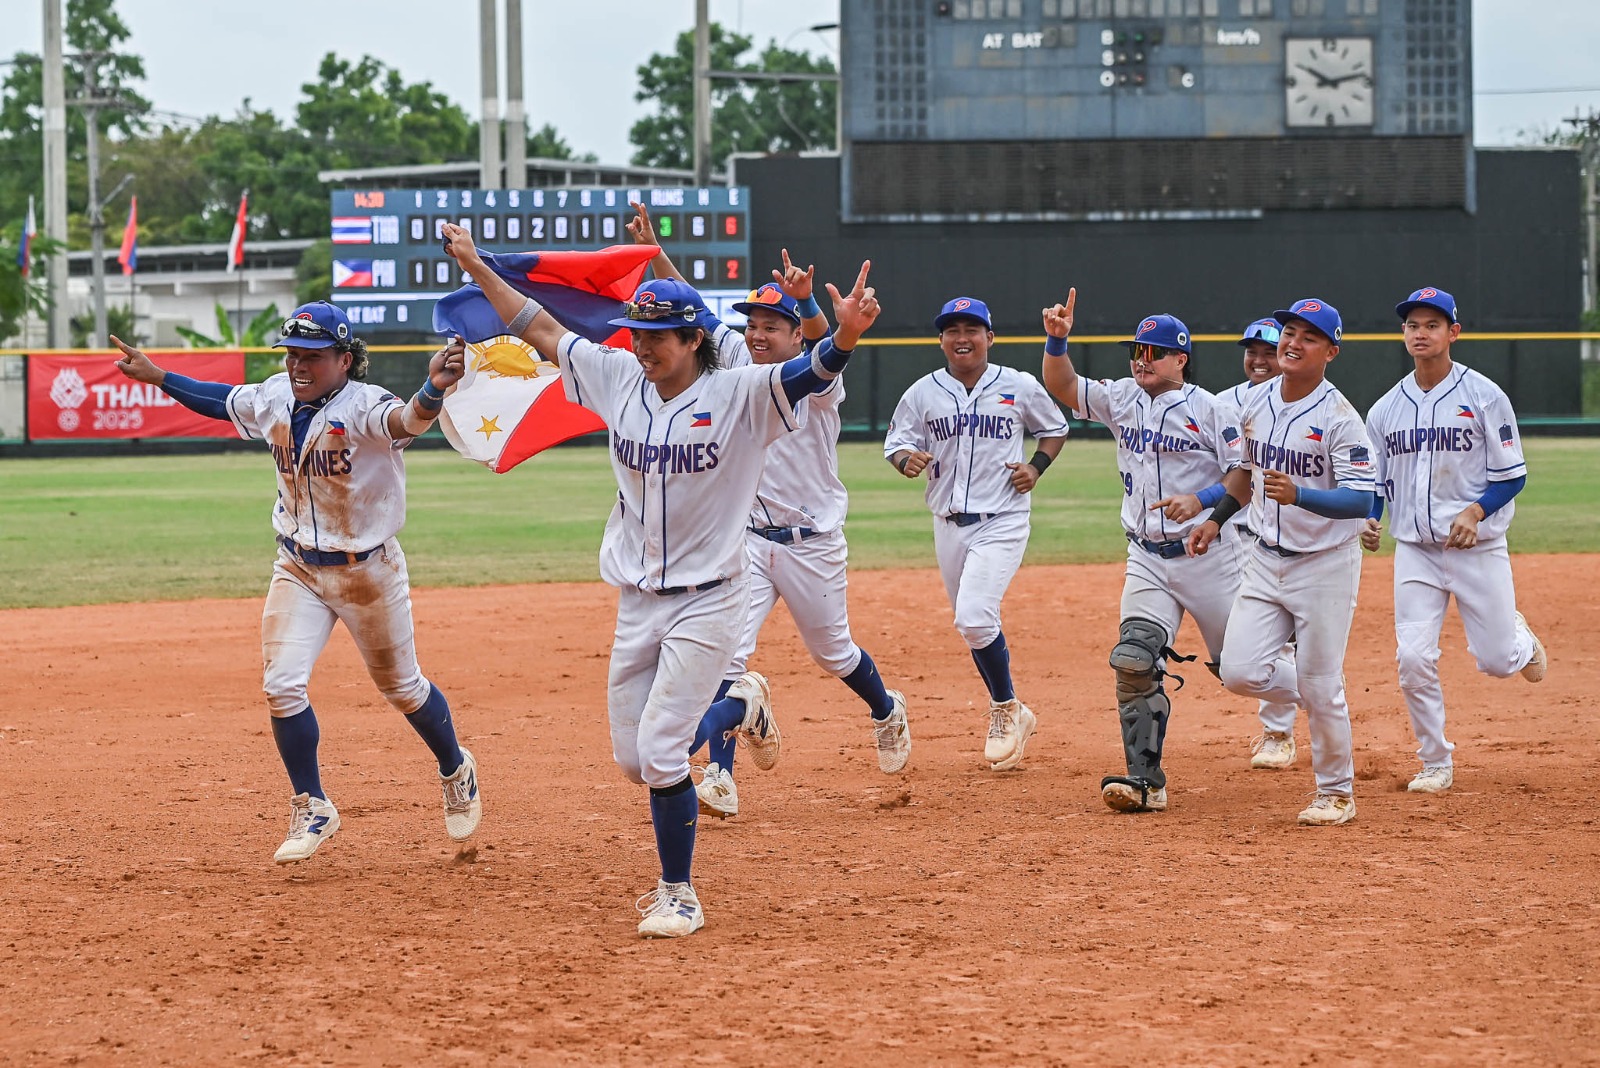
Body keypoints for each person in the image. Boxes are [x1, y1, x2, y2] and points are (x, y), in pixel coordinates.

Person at [441, 222, 881, 938]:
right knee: (631, 759)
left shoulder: (740, 392)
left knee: (660, 753)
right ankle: (741, 705)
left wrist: (845, 334)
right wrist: (476, 266)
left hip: (711, 598)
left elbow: (813, 373)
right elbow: (538, 326)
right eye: (636, 334)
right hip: (639, 600)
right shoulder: (618, 379)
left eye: (657, 337)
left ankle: (679, 892)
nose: (642, 346)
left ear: (693, 340)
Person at [110, 302, 482, 863]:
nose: (297, 365)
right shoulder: (275, 398)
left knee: (403, 689)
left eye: (311, 355)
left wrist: (432, 390)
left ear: (343, 358)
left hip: (368, 572)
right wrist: (158, 376)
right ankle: (312, 802)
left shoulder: (366, 405)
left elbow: (407, 423)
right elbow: (219, 400)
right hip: (299, 568)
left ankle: (456, 768)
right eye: (291, 355)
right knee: (281, 685)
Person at [624, 206, 911, 819]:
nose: (757, 334)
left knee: (834, 653)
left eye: (772, 325)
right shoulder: (734, 364)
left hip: (812, 539)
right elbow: (693, 315)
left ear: (794, 336)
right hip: (746, 541)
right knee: (727, 658)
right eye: (752, 323)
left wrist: (817, 314)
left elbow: (828, 347)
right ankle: (720, 775)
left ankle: (886, 708)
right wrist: (653, 255)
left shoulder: (816, 379)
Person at [1039, 296, 1265, 813]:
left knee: (1243, 671)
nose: (1141, 359)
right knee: (1134, 658)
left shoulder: (1213, 409)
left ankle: (1321, 692)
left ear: (1180, 359)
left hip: (1210, 557)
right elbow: (1063, 385)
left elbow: (1242, 477)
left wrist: (1208, 511)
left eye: (1155, 352)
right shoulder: (1121, 398)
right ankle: (1146, 781)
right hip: (1146, 556)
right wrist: (1057, 340)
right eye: (1137, 351)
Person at [1188, 298, 1376, 826]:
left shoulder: (1340, 418)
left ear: (1330, 352)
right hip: (1265, 560)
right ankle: (1323, 691)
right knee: (1239, 671)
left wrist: (1302, 496)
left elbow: (1362, 500)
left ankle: (1336, 792)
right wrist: (1215, 518)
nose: (1293, 342)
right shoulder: (1255, 403)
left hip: (1325, 564)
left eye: (1309, 336)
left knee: (1318, 683)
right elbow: (1246, 475)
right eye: (1290, 331)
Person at [1361, 286, 1548, 794]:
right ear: (1404, 335)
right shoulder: (1385, 409)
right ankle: (1435, 760)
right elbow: (1374, 482)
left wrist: (1475, 510)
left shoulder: (1485, 396)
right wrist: (1370, 516)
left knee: (1496, 661)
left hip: (1477, 548)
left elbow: (1513, 476)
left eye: (1432, 325)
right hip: (1416, 551)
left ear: (1453, 333)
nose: (1421, 333)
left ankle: (1519, 637)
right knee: (1412, 658)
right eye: (1412, 326)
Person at [885, 296, 1069, 771]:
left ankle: (1005, 709)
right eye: (952, 330)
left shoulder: (1018, 385)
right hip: (947, 524)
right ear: (942, 339)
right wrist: (907, 461)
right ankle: (1012, 708)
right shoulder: (923, 392)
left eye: (972, 329)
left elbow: (1054, 429)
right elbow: (897, 444)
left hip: (1002, 520)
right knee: (974, 625)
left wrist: (1036, 466)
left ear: (990, 337)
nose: (961, 337)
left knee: (972, 616)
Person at [1219, 317, 1303, 771]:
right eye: (1251, 350)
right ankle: (1318, 692)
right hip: (1236, 535)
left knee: (1284, 639)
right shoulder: (1224, 403)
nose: (1258, 359)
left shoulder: (1308, 401)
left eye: (1267, 352)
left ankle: (1277, 732)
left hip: (1293, 539)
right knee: (1245, 646)